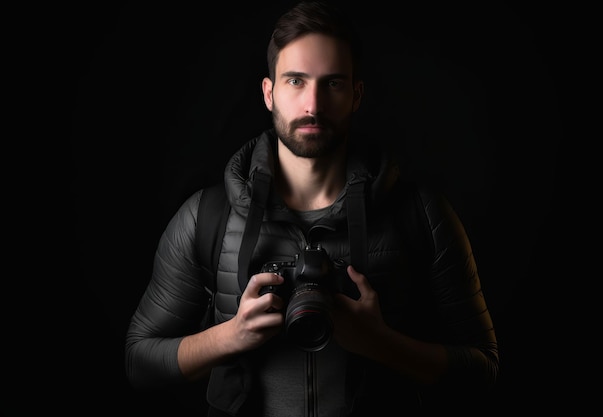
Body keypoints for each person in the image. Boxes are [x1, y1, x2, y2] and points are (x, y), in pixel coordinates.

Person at [125, 1, 499, 416]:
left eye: (333, 83)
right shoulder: (206, 217)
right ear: (269, 93)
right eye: (296, 81)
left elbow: (483, 369)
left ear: (356, 94)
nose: (313, 105)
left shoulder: (421, 215)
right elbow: (140, 363)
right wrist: (231, 336)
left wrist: (383, 345)